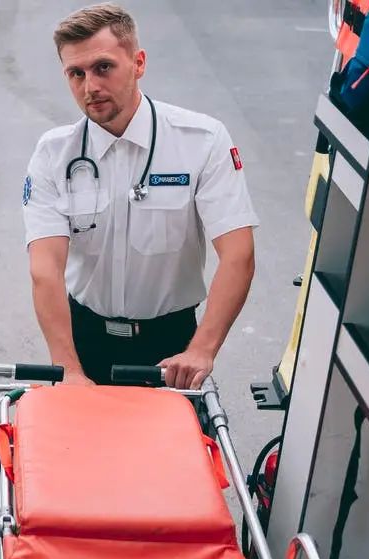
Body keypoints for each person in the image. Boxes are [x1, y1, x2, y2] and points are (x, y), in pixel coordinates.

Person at [23, 3, 258, 389]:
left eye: (103, 67)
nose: (90, 86)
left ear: (138, 63)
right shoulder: (54, 154)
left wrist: (201, 350)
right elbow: (44, 269)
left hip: (170, 347)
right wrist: (68, 369)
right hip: (83, 342)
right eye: (75, 73)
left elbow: (239, 254)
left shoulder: (201, 141)